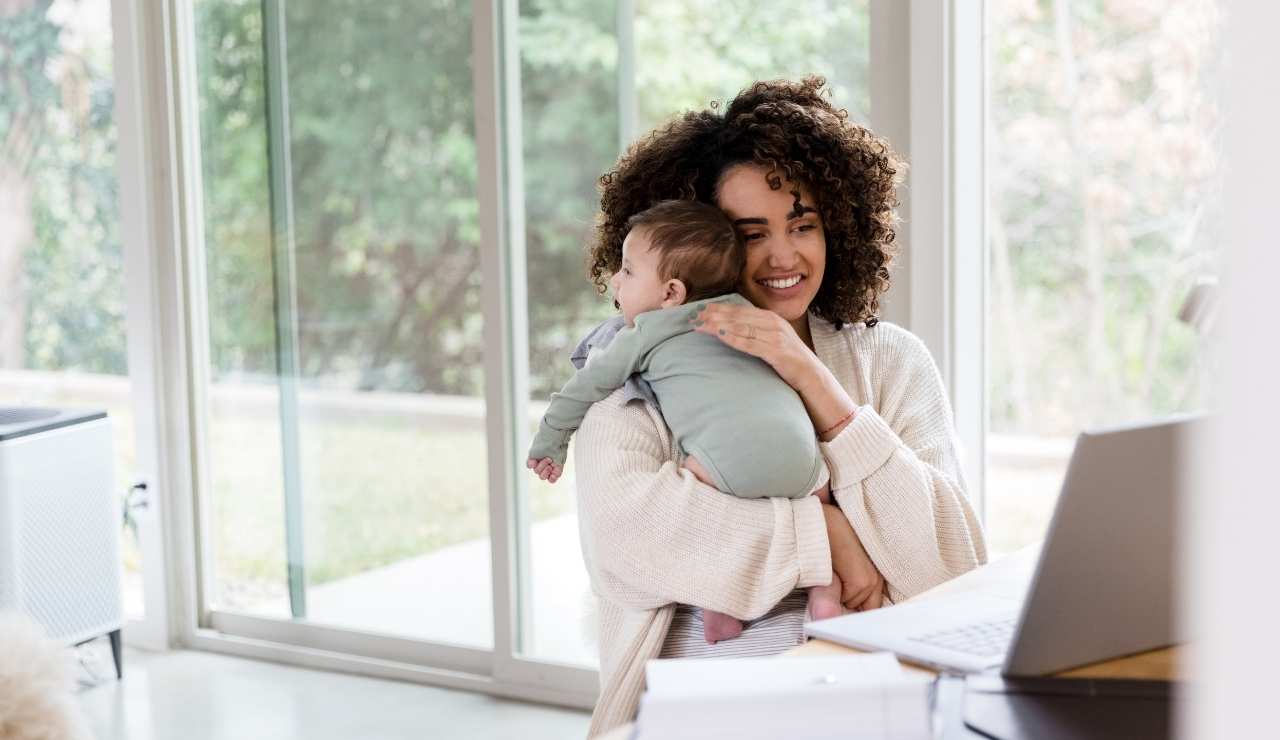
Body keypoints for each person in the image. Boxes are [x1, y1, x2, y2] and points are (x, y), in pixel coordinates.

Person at [573, 76, 988, 738]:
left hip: (870, 695)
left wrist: (818, 387)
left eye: (803, 225)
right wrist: (827, 536)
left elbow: (954, 569)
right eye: (751, 233)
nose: (783, 256)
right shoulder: (634, 363)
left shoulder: (893, 362)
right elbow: (626, 541)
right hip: (698, 704)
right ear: (698, 245)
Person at [526, 199, 843, 645]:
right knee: (826, 510)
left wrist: (550, 440)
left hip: (727, 462)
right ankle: (827, 596)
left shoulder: (643, 333)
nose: (616, 281)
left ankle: (720, 609)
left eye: (628, 271)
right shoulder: (751, 316)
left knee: (696, 507)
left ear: (671, 293)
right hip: (805, 462)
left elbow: (586, 386)